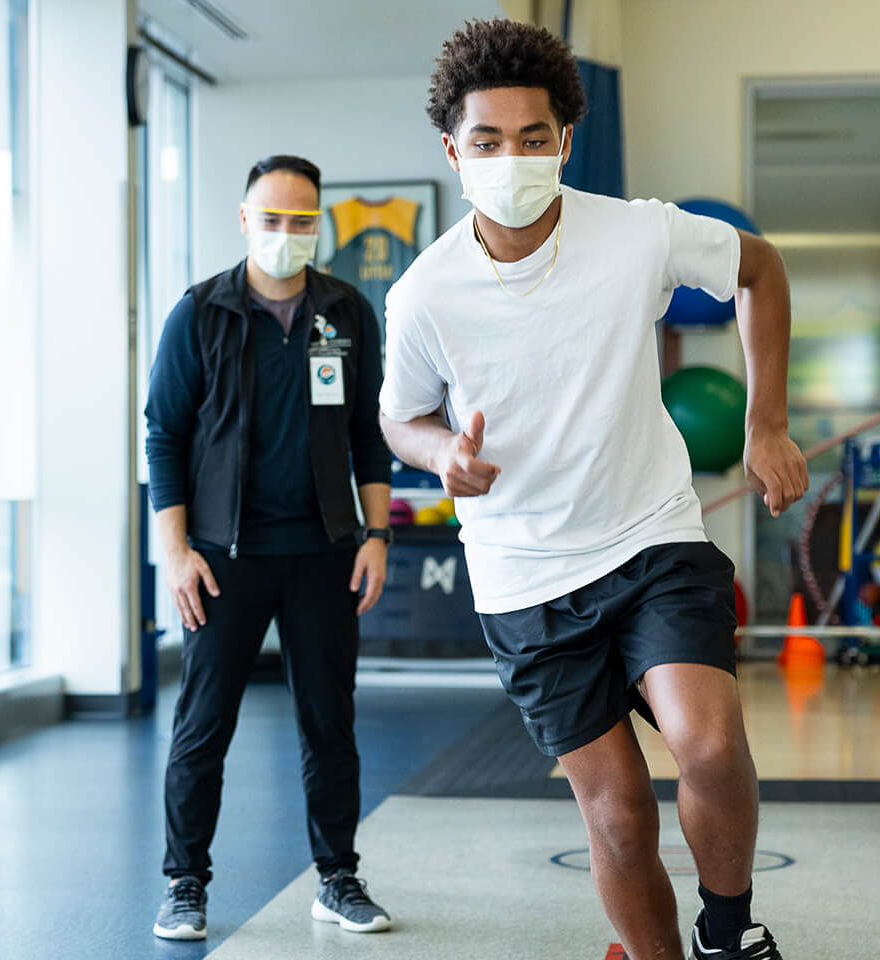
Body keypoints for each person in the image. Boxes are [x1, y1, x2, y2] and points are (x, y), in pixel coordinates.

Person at [378, 20, 807, 960]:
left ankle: (728, 936)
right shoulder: (423, 295)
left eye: (534, 138)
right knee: (616, 814)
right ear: (454, 152)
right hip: (524, 575)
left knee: (707, 742)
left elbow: (758, 268)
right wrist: (442, 452)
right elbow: (399, 418)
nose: (512, 157)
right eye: (488, 141)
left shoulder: (636, 232)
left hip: (650, 535)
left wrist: (763, 422)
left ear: (564, 141)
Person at [144, 155, 397, 941]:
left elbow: (367, 435)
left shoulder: (347, 313)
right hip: (224, 559)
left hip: (324, 550)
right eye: (272, 218)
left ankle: (337, 877)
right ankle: (186, 884)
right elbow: (165, 434)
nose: (286, 233)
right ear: (245, 219)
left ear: (318, 223)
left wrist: (378, 534)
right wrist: (177, 553)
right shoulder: (200, 313)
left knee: (330, 721)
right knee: (203, 724)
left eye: (302, 220)